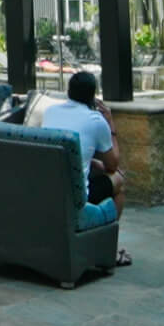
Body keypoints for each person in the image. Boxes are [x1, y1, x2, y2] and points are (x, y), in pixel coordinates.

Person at [40, 70, 132, 265]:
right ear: (93, 96)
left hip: (46, 192)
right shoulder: (96, 120)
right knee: (119, 181)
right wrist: (111, 124)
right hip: (74, 199)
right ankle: (109, 250)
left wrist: (91, 162)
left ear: (68, 91)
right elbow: (113, 163)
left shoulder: (50, 112)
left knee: (102, 172)